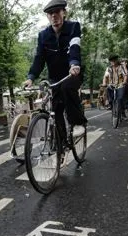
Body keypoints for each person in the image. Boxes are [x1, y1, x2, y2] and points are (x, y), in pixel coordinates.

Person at [23, 0, 87, 138]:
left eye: (57, 12)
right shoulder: (43, 35)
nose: (54, 16)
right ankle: (61, 142)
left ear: (64, 13)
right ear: (47, 17)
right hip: (55, 78)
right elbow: (39, 58)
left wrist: (74, 64)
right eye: (50, 13)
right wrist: (31, 77)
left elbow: (74, 46)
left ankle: (78, 123)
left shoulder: (73, 27)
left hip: (72, 73)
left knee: (67, 88)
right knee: (55, 108)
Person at [102, 54, 128, 119]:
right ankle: (111, 104)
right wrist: (104, 83)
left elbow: (125, 75)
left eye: (114, 60)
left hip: (120, 85)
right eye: (111, 61)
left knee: (120, 98)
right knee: (108, 90)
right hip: (111, 85)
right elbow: (105, 77)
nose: (113, 62)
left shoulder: (121, 67)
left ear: (116, 60)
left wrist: (124, 82)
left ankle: (122, 111)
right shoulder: (109, 68)